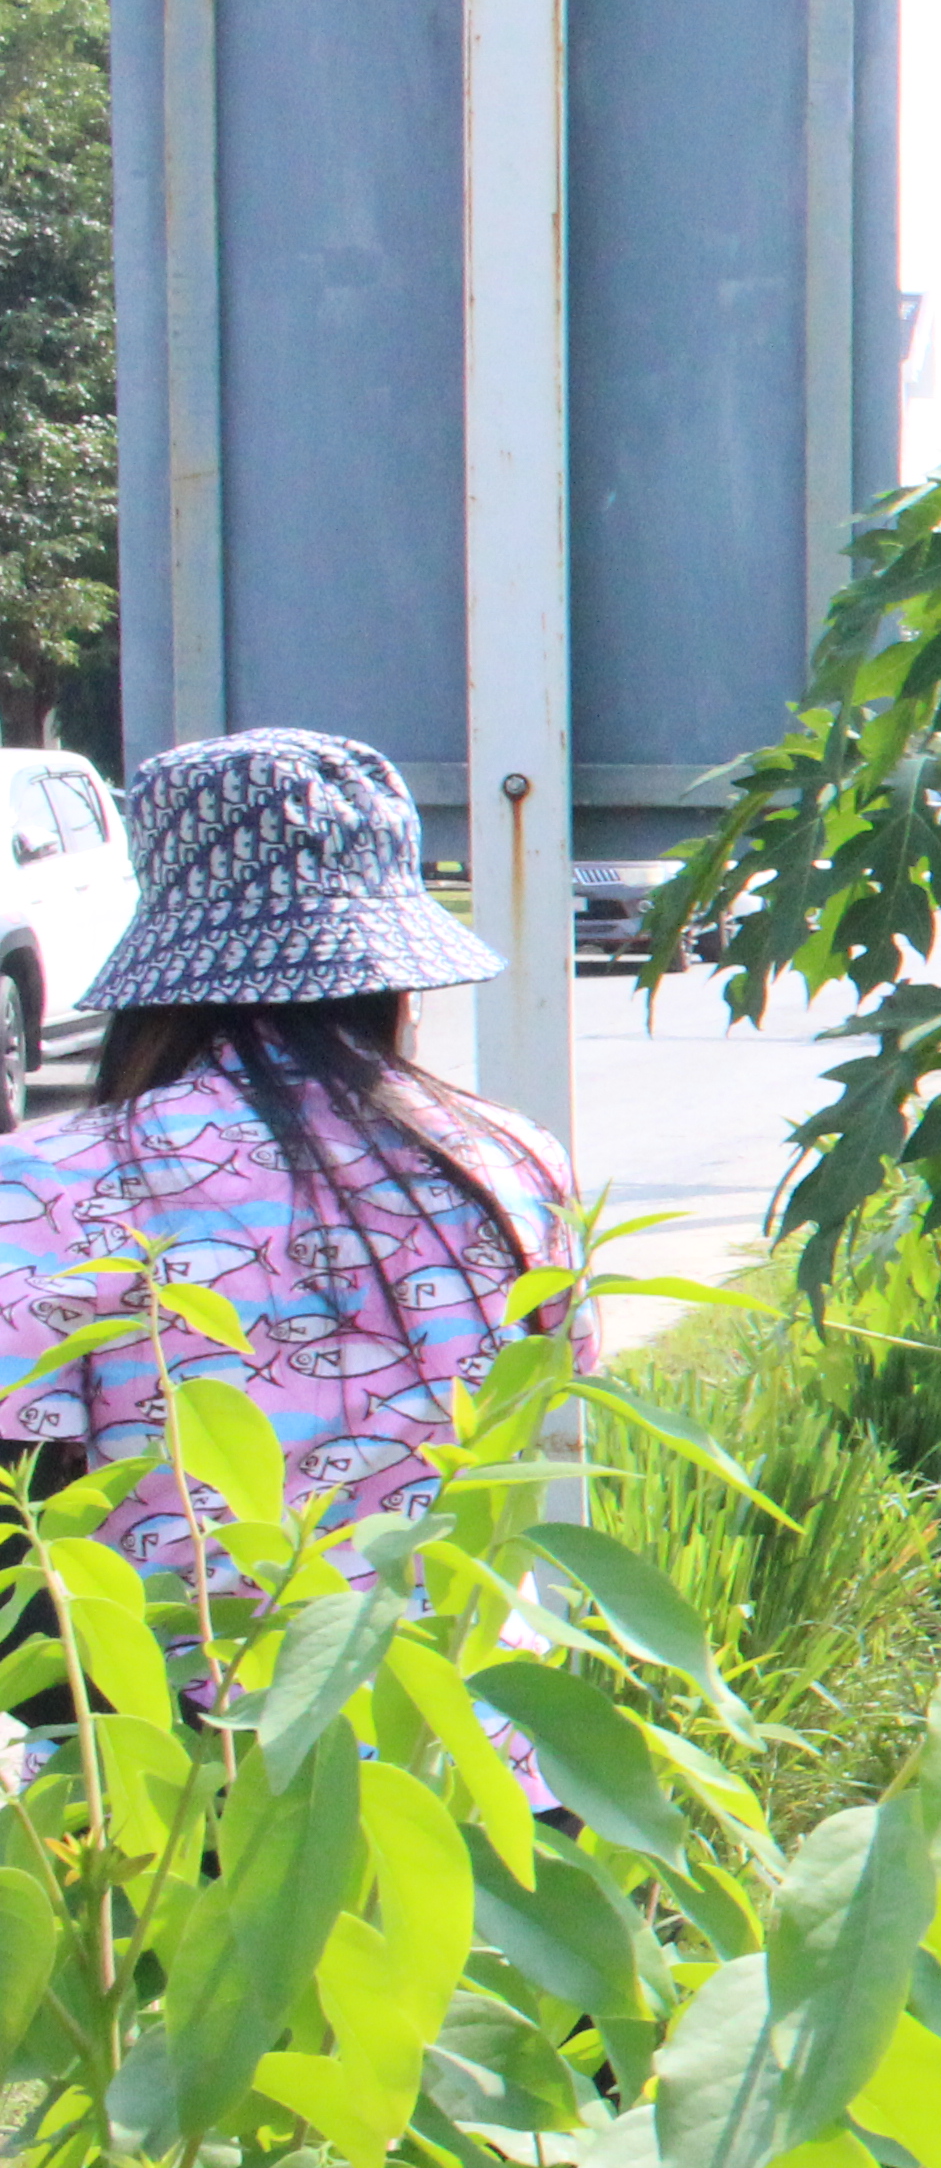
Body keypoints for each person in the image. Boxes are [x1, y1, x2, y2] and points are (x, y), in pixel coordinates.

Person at [0, 733, 596, 1764]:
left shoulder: (53, 1183)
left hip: (186, 1792)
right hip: (476, 1766)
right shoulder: (511, 1161)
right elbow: (541, 1433)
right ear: (391, 975)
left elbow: (23, 1555)